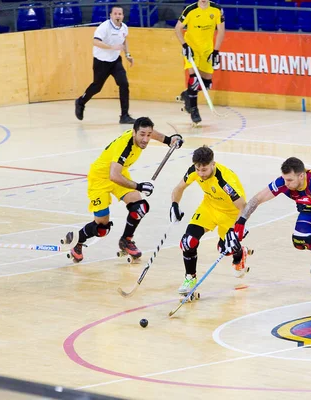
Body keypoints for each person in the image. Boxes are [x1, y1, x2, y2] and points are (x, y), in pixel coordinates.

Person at [227, 157, 311, 287]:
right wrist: (241, 221)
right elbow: (257, 199)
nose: (286, 184)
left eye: (290, 180)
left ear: (301, 176)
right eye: (284, 179)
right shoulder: (284, 182)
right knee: (300, 239)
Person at [63, 117, 182, 262]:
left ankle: (126, 241)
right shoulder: (125, 147)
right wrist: (139, 186)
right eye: (142, 135)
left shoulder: (141, 134)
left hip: (119, 173)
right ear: (134, 133)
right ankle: (77, 241)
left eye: (148, 135)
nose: (145, 139)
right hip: (100, 179)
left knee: (140, 207)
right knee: (102, 228)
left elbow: (151, 132)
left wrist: (169, 140)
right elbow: (113, 176)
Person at [169, 145, 251, 297]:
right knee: (188, 241)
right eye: (198, 169)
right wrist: (174, 205)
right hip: (209, 207)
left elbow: (243, 207)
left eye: (204, 170)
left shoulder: (225, 181)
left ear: (213, 164)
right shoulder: (194, 170)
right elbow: (179, 188)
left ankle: (239, 255)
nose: (200, 174)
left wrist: (236, 229)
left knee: (225, 248)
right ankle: (190, 278)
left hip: (231, 214)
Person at [75, 6, 136, 124]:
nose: (118, 16)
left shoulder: (124, 27)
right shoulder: (104, 27)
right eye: (115, 14)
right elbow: (95, 41)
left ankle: (124, 115)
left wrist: (128, 54)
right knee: (97, 87)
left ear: (123, 16)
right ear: (111, 15)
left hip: (115, 61)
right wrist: (111, 47)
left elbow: (124, 40)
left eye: (120, 14)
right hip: (101, 62)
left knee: (124, 83)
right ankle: (80, 102)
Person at [175, 0, 225, 125]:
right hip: (192, 49)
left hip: (207, 50)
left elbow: (221, 31)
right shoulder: (190, 9)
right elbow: (177, 28)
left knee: (207, 84)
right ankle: (193, 109)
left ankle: (187, 94)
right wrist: (185, 45)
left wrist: (216, 51)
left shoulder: (217, 9)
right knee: (194, 79)